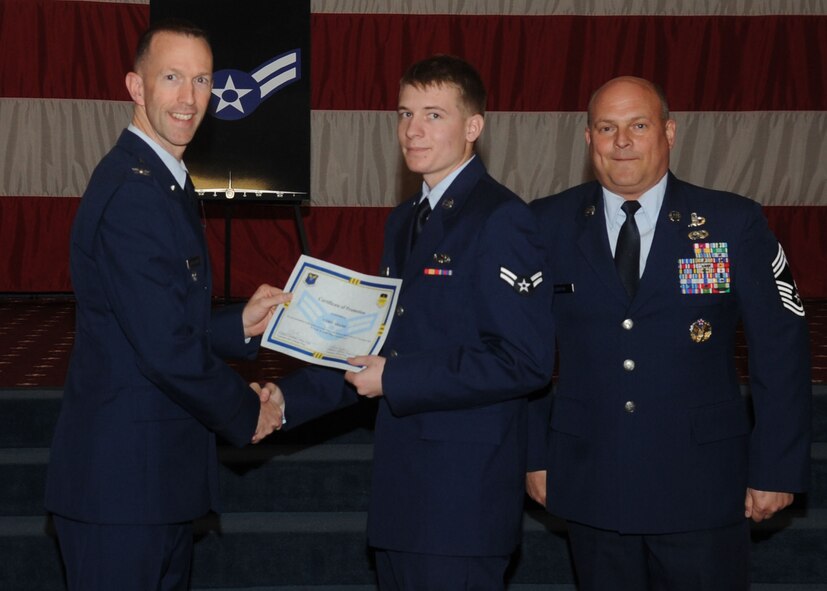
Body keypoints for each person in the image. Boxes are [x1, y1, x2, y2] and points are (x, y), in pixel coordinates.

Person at [264, 55, 554, 589]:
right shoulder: (406, 219)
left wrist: (394, 379)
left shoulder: (501, 219)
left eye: (433, 115)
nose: (413, 130)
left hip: (462, 504)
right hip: (404, 494)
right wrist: (286, 402)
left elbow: (525, 360)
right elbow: (380, 343)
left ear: (473, 127)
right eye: (404, 113)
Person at [527, 76, 812, 590]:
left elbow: (781, 347)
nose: (622, 142)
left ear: (669, 132)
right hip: (590, 477)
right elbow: (521, 351)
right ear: (589, 138)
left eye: (638, 125)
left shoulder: (731, 222)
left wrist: (776, 467)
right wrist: (534, 456)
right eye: (607, 127)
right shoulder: (546, 224)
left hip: (702, 484)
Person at [44, 19, 289, 590]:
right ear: (136, 87)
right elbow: (164, 350)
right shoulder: (135, 193)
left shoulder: (162, 179)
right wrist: (245, 411)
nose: (189, 98)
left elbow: (157, 321)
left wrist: (236, 327)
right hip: (123, 489)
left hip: (149, 483)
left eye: (202, 80)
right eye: (172, 77)